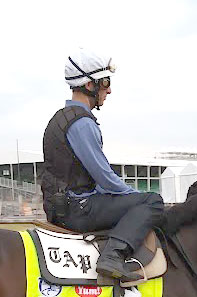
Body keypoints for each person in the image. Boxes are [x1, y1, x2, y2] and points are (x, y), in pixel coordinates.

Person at [41, 48, 165, 282]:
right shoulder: (82, 123)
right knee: (153, 202)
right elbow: (105, 178)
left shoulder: (61, 118)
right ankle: (113, 256)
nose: (109, 89)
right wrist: (137, 198)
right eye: (105, 82)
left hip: (62, 206)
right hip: (77, 209)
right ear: (90, 85)